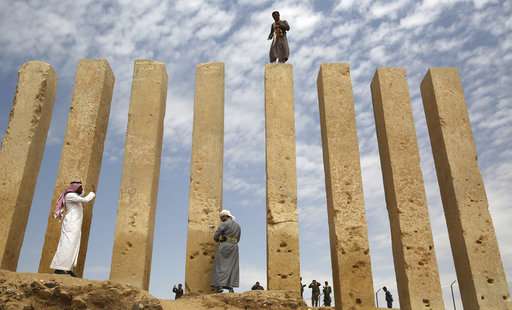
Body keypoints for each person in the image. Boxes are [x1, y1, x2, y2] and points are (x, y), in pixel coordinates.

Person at [50, 181, 95, 277]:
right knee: (67, 245)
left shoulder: (74, 196)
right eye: (79, 187)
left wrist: (83, 189)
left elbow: (81, 194)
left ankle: (68, 268)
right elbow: (86, 199)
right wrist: (92, 193)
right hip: (71, 223)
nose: (81, 189)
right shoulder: (70, 195)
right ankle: (59, 268)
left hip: (75, 224)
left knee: (74, 246)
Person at [211, 209, 241, 293]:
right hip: (234, 246)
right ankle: (230, 287)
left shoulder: (224, 224)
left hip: (225, 245)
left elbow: (216, 236)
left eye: (221, 217)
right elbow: (238, 238)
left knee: (220, 265)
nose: (221, 219)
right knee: (232, 267)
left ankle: (219, 286)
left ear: (226, 216)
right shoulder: (238, 226)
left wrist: (219, 239)